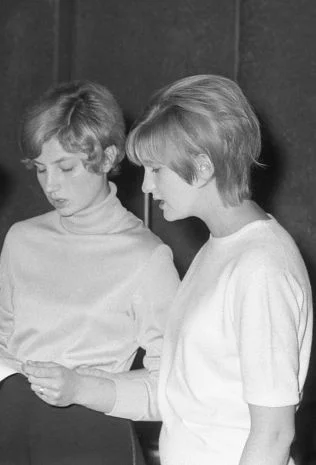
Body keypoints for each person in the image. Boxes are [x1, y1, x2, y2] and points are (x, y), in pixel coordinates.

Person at [0, 80, 180, 464]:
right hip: (12, 423)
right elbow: (6, 340)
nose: (51, 185)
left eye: (66, 167)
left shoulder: (147, 256)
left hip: (91, 436)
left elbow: (170, 387)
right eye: (41, 169)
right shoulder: (22, 238)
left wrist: (80, 387)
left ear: (107, 158)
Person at [125, 74, 313, 465]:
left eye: (156, 169)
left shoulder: (260, 266)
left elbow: (274, 434)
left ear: (203, 167)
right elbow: (188, 398)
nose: (146, 186)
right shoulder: (221, 249)